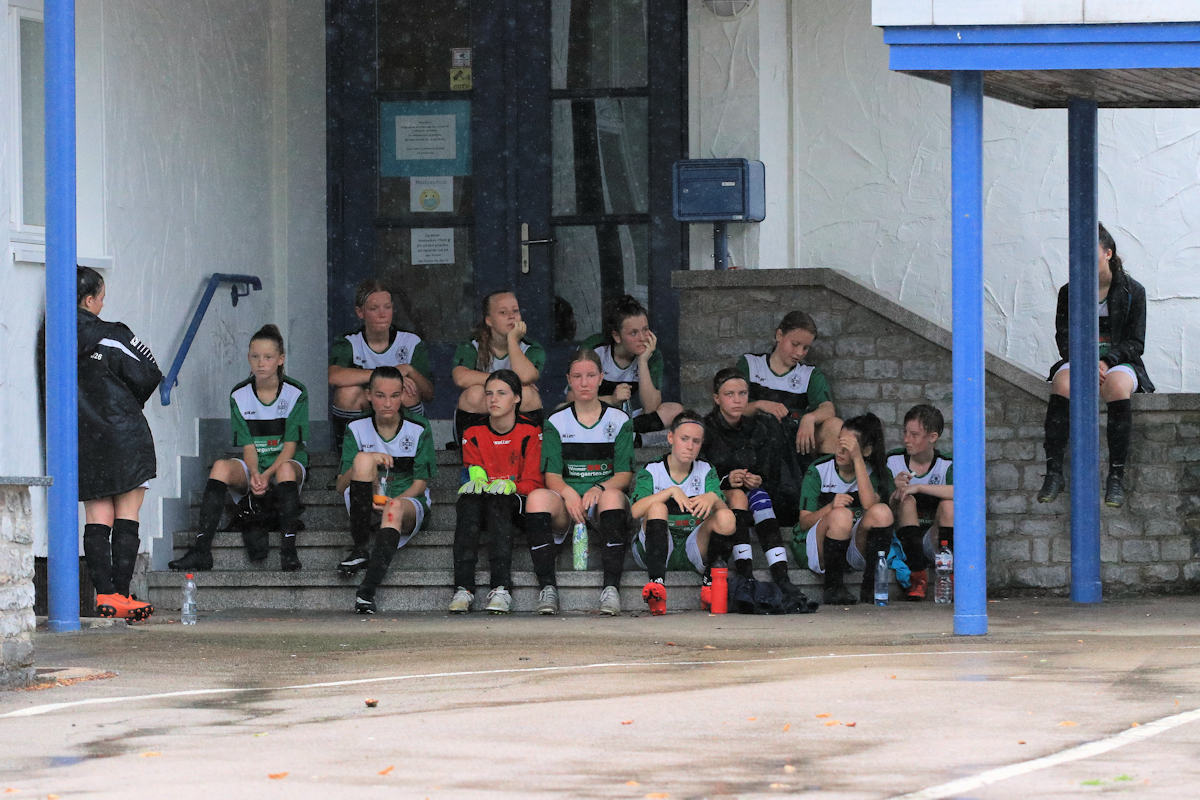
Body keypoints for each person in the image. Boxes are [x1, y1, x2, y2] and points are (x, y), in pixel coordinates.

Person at [169, 324, 309, 572]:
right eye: (255, 356)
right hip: (257, 466)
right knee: (221, 467)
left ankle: (288, 550)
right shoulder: (239, 394)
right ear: (248, 358)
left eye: (268, 357)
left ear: (280, 359)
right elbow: (249, 446)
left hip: (285, 466)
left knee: (285, 469)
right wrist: (254, 473)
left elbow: (289, 447)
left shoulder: (296, 392)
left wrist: (267, 474)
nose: (261, 363)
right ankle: (201, 550)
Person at [1038, 223, 1153, 509]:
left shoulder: (1133, 291)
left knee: (1117, 386)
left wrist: (1106, 361)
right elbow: (1063, 337)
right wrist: (1084, 362)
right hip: (1080, 361)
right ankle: (1053, 471)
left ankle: (1116, 476)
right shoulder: (1069, 292)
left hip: (1119, 361)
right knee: (1063, 383)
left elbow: (1135, 342)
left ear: (1108, 254)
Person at [74, 267, 162, 621]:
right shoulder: (112, 335)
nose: (102, 304)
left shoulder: (52, 336)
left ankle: (105, 595)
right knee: (127, 510)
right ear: (90, 300)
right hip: (123, 433)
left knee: (97, 514)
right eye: (101, 298)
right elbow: (149, 373)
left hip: (82, 435)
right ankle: (122, 594)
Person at [527, 349, 635, 615]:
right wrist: (568, 493)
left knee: (612, 496)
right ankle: (547, 588)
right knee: (536, 498)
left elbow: (624, 474)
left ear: (601, 378)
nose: (584, 382)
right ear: (568, 380)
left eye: (590, 375)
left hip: (601, 502)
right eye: (577, 376)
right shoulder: (556, 421)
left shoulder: (619, 420)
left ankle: (611, 589)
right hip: (568, 504)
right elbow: (552, 476)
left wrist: (599, 487)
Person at [334, 367, 437, 614]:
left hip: (406, 502)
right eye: (380, 396)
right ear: (369, 395)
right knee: (361, 460)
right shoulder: (356, 427)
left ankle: (366, 592)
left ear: (403, 396)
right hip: (367, 503)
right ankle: (360, 547)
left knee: (394, 507)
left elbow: (420, 484)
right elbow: (340, 486)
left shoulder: (419, 427)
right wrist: (368, 458)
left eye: (394, 395)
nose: (387, 403)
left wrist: (393, 500)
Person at [701, 368, 803, 600]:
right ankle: (745, 573)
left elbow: (769, 470)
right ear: (716, 398)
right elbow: (699, 473)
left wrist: (758, 478)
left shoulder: (758, 427)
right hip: (717, 497)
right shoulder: (706, 429)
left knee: (760, 496)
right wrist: (727, 480)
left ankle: (781, 576)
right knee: (738, 496)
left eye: (742, 393)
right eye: (729, 394)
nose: (737, 400)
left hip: (752, 496)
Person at [449, 369, 544, 614]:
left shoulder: (531, 431)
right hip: (483, 506)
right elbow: (473, 468)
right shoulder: (473, 432)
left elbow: (534, 481)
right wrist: (476, 476)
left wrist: (512, 486)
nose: (493, 399)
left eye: (501, 393)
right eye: (489, 393)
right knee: (468, 502)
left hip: (517, 506)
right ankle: (463, 588)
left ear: (516, 398)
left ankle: (501, 588)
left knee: (499, 502)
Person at [736, 310, 842, 524]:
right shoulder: (751, 364)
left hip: (796, 441)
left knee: (835, 426)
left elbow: (828, 409)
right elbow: (731, 407)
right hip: (759, 442)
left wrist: (809, 419)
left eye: (806, 348)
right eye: (795, 344)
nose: (800, 352)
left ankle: (825, 500)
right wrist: (760, 405)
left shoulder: (809, 374)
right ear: (779, 335)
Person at [630, 410, 736, 615]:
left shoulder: (706, 469)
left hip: (693, 547)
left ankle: (709, 585)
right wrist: (669, 492)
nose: (690, 446)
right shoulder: (652, 469)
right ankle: (656, 586)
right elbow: (635, 511)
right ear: (670, 437)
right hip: (656, 548)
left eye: (696, 441)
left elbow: (728, 522)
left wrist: (713, 498)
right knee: (657, 507)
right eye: (684, 439)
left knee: (726, 517)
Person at [794, 413, 894, 606]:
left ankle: (870, 584)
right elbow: (804, 522)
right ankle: (833, 586)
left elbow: (870, 506)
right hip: (820, 548)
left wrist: (857, 459)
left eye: (848, 446)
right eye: (839, 441)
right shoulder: (819, 470)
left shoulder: (877, 473)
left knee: (882, 512)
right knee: (841, 515)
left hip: (855, 548)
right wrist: (830, 507)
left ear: (866, 450)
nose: (839, 450)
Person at [327, 279, 433, 453]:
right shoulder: (350, 341)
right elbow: (334, 376)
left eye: (387, 307)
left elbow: (429, 394)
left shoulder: (410, 341)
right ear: (360, 312)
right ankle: (349, 455)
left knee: (408, 392)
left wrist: (410, 370)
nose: (382, 314)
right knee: (347, 393)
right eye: (374, 308)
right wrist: (389, 375)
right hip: (367, 411)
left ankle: (409, 452)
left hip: (397, 417)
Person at [576, 294, 682, 438]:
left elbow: (651, 408)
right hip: (594, 414)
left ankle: (622, 435)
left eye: (645, 329)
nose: (643, 338)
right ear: (617, 336)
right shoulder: (594, 349)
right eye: (634, 333)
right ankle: (624, 436)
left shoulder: (652, 355)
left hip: (627, 419)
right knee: (565, 411)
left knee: (675, 410)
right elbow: (573, 400)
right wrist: (612, 400)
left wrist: (642, 361)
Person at [452, 290, 545, 439]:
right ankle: (472, 446)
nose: (511, 316)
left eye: (515, 311)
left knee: (527, 394)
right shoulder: (472, 345)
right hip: (482, 428)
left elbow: (526, 377)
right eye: (503, 312)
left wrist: (512, 341)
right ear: (489, 320)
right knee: (474, 393)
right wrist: (508, 383)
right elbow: (461, 378)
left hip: (516, 431)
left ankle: (525, 446)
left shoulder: (530, 348)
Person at [886, 404, 953, 601]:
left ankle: (950, 577)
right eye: (905, 432)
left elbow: (964, 493)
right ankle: (917, 577)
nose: (906, 439)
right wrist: (896, 491)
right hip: (904, 542)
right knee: (906, 500)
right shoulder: (893, 461)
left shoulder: (946, 463)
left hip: (934, 540)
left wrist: (919, 487)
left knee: (949, 505)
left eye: (914, 435)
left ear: (932, 437)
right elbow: (881, 506)